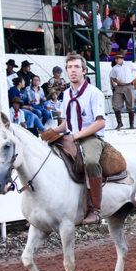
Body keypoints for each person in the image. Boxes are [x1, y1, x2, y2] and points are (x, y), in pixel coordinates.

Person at [48, 53, 108, 224]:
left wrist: (76, 135)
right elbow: (68, 122)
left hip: (91, 137)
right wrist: (53, 131)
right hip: (71, 136)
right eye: (69, 67)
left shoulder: (94, 93)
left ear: (84, 71)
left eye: (76, 67)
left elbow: (100, 122)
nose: (72, 70)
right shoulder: (66, 94)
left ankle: (95, 209)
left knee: (91, 162)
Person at [109, 53, 136, 129]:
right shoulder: (115, 68)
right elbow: (112, 77)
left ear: (122, 59)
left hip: (129, 85)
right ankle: (119, 123)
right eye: (116, 59)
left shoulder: (129, 64)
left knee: (130, 105)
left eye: (118, 59)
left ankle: (131, 124)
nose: (116, 60)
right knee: (116, 104)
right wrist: (117, 81)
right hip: (119, 86)